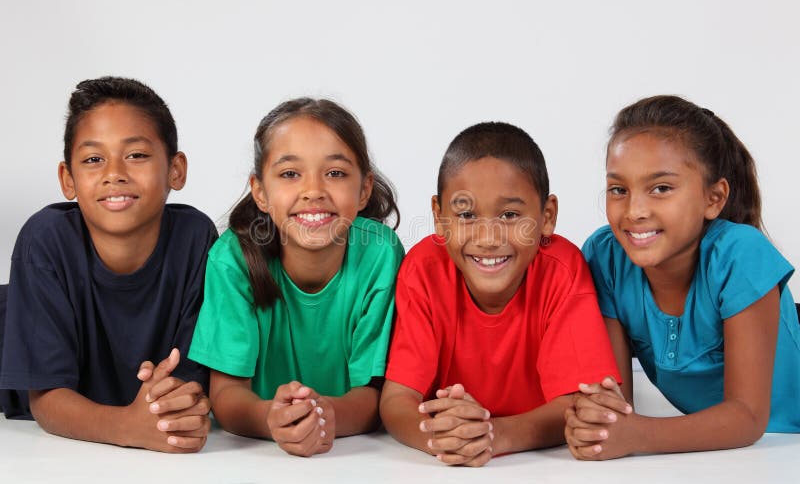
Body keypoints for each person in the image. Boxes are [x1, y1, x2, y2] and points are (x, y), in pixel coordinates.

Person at [566, 95, 800, 460]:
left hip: (782, 447)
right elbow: (615, 403)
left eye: (661, 188)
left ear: (714, 198)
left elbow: (748, 418)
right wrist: (597, 423)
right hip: (731, 460)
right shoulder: (606, 257)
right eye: (618, 189)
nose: (635, 211)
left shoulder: (741, 254)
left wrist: (637, 436)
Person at [380, 122, 620, 467]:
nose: (489, 237)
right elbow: (396, 399)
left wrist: (495, 435)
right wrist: (440, 436)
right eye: (466, 214)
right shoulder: (423, 271)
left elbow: (582, 405)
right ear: (439, 217)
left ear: (546, 217)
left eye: (510, 215)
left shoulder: (562, 270)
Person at [0, 77, 216, 452]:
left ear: (175, 170)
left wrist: (167, 405)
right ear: (68, 179)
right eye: (93, 159)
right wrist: (128, 427)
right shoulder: (45, 239)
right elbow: (47, 401)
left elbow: (189, 385)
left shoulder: (195, 239)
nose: (114, 173)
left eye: (136, 155)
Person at [189, 98, 404, 457]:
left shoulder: (379, 254)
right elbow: (225, 395)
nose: (314, 191)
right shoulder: (232, 259)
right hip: (254, 463)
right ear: (260, 191)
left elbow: (373, 394)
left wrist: (324, 415)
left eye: (335, 173)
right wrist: (271, 419)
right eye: (290, 174)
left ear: (364, 189)